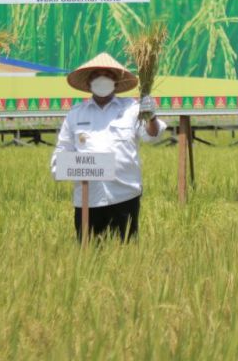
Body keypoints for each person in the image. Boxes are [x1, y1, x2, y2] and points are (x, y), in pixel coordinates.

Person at [50, 53, 165, 242]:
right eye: (97, 74)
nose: (102, 78)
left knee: (127, 256)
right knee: (88, 259)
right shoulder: (75, 115)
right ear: (88, 83)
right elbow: (60, 156)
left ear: (116, 82)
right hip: (88, 200)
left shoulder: (131, 109)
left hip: (124, 196)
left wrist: (151, 116)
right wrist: (75, 167)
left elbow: (152, 135)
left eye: (108, 74)